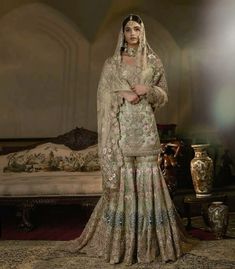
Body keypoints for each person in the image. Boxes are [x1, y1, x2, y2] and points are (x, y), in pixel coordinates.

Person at [62, 14, 196, 265]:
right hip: (122, 128)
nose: (132, 33)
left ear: (142, 32)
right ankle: (122, 245)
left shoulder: (153, 61)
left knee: (148, 177)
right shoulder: (112, 64)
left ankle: (152, 244)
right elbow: (103, 94)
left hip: (145, 127)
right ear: (122, 33)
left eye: (136, 29)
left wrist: (150, 90)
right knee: (125, 179)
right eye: (128, 29)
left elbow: (163, 93)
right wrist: (122, 92)